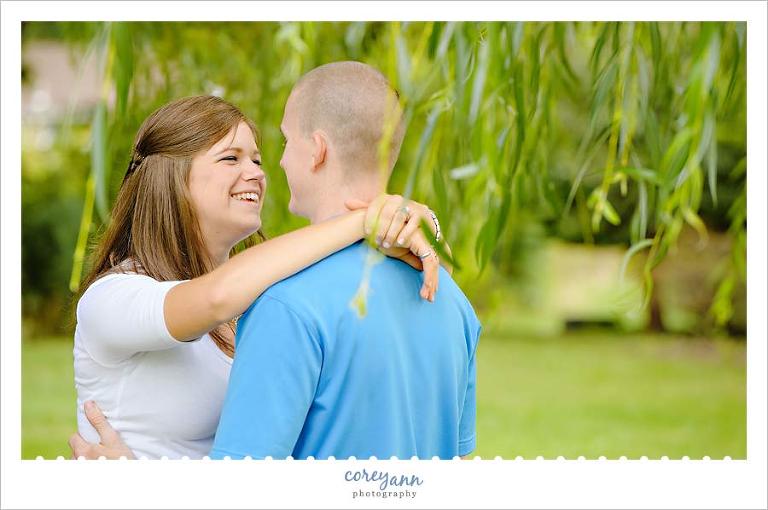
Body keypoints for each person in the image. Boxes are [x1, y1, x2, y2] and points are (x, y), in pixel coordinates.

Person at [67, 94, 445, 460]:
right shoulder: (112, 299)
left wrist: (390, 233)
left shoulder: (259, 303)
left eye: (257, 159)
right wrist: (364, 220)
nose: (257, 173)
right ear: (172, 177)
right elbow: (217, 296)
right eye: (231, 158)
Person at [209, 62, 480, 460]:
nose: (280, 162)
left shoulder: (286, 306)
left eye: (286, 142)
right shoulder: (453, 302)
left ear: (318, 150)